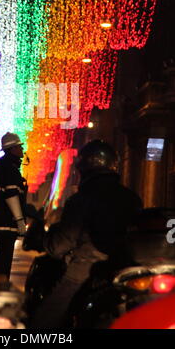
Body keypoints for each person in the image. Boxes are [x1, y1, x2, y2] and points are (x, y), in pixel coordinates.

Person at [30, 139, 143, 328]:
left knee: (47, 316)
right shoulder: (131, 197)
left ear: (84, 168)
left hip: (89, 266)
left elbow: (61, 244)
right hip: (125, 264)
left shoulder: (82, 199)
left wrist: (44, 241)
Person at [0, 132, 28, 282]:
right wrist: (19, 219)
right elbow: (11, 194)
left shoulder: (6, 168)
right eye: (19, 147)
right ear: (11, 149)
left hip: (3, 221)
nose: (22, 151)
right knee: (4, 258)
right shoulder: (9, 169)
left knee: (3, 257)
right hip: (7, 222)